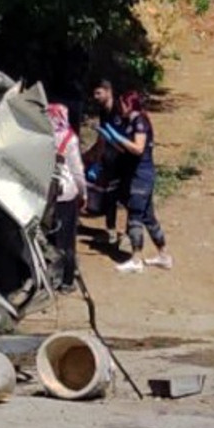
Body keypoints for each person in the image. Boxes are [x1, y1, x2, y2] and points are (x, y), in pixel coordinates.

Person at [97, 90, 172, 273]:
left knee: (135, 215)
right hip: (133, 173)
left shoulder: (140, 122)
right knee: (148, 217)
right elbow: (126, 150)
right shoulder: (128, 122)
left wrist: (119, 137)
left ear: (129, 105)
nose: (119, 107)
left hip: (142, 175)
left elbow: (138, 148)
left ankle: (136, 259)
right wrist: (111, 140)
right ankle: (164, 256)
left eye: (122, 104)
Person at [47, 103, 86, 293]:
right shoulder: (70, 139)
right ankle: (67, 280)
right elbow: (77, 171)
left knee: (50, 237)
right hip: (67, 194)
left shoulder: (43, 136)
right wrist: (83, 193)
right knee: (68, 240)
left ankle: (49, 277)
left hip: (47, 194)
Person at [82, 79, 123, 245]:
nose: (95, 97)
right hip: (108, 157)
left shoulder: (119, 109)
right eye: (94, 94)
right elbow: (102, 135)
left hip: (121, 157)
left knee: (123, 195)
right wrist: (94, 155)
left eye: (98, 93)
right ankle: (110, 230)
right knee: (109, 195)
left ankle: (127, 233)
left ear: (108, 91)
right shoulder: (103, 110)